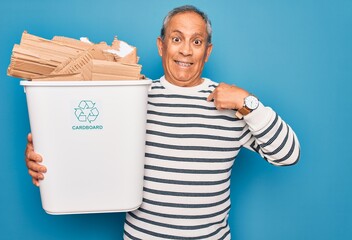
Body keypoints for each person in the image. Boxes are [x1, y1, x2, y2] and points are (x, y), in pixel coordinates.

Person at [25, 5, 300, 239]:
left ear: (208, 51)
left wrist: (248, 103)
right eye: (177, 39)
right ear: (161, 45)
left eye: (197, 41)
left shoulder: (230, 103)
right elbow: (85, 142)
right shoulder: (130, 97)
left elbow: (288, 155)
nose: (186, 51)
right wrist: (43, 156)